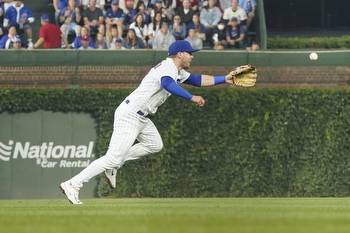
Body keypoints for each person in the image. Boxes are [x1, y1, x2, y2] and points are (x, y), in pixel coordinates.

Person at [59, 39, 235, 204]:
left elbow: (197, 80)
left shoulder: (177, 70)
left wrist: (225, 78)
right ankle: (73, 184)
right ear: (180, 54)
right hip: (130, 115)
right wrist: (191, 98)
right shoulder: (167, 67)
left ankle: (115, 165)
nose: (192, 56)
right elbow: (168, 84)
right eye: (190, 53)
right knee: (111, 158)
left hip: (141, 117)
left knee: (155, 145)